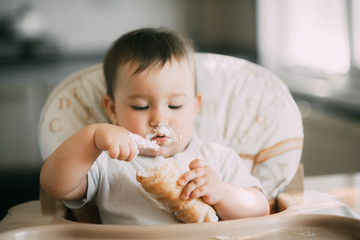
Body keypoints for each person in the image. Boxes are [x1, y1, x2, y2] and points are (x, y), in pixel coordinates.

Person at [40, 27, 269, 225]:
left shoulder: (217, 158)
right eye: (140, 107)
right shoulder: (106, 161)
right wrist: (91, 137)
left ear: (195, 106)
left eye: (175, 105)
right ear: (112, 110)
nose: (159, 119)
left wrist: (222, 193)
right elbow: (55, 186)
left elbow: (260, 209)